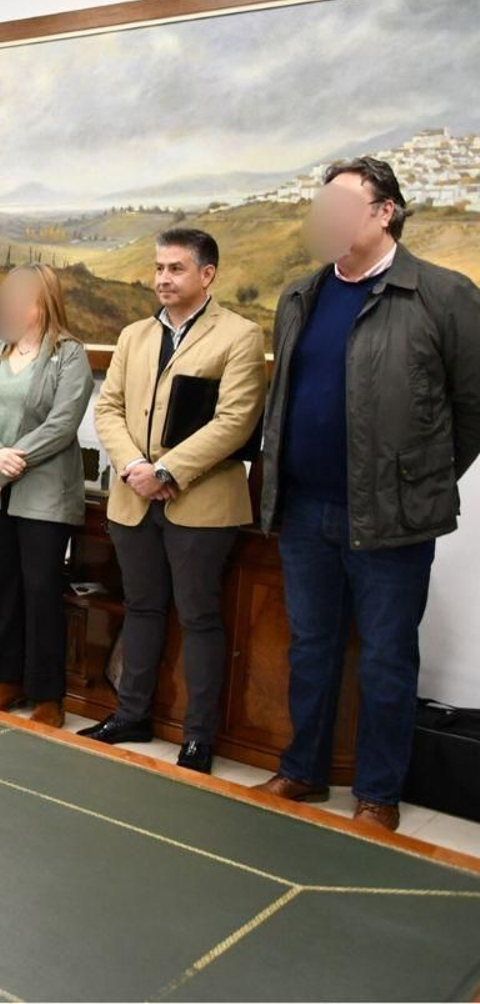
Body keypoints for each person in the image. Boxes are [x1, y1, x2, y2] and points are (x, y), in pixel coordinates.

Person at [253, 157, 480, 831]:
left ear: (385, 213)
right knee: (310, 649)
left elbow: (471, 408)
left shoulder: (442, 294)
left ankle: (378, 794)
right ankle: (303, 770)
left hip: (391, 519)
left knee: (385, 659)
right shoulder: (301, 295)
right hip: (303, 511)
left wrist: (421, 481)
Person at [85, 228, 265, 775]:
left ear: (207, 274)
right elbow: (108, 408)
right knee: (141, 607)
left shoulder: (239, 335)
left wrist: (167, 470)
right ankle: (132, 714)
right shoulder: (135, 334)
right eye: (158, 268)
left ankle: (198, 737)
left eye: (176, 269)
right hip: (133, 498)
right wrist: (136, 468)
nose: (162, 278)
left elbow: (235, 422)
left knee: (200, 616)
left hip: (201, 503)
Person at [0, 264, 94, 726]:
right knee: (0, 590)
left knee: (41, 592)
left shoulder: (69, 354)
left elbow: (63, 423)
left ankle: (47, 695)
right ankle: (8, 680)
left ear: (45, 299)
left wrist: (11, 465)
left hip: (44, 495)